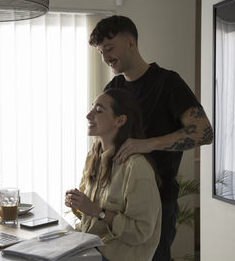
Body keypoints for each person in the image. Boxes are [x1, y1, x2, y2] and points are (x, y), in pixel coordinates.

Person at [88, 15, 213, 261]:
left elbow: (204, 132)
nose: (106, 58)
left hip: (157, 202)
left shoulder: (168, 82)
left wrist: (148, 144)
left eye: (110, 49)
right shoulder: (113, 87)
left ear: (131, 43)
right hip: (115, 203)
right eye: (102, 52)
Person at [65, 88, 162, 261]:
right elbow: (87, 214)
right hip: (91, 246)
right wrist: (77, 203)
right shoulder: (93, 156)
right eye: (92, 108)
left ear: (120, 120)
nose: (88, 115)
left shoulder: (136, 167)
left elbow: (141, 232)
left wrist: (97, 211)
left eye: (98, 110)